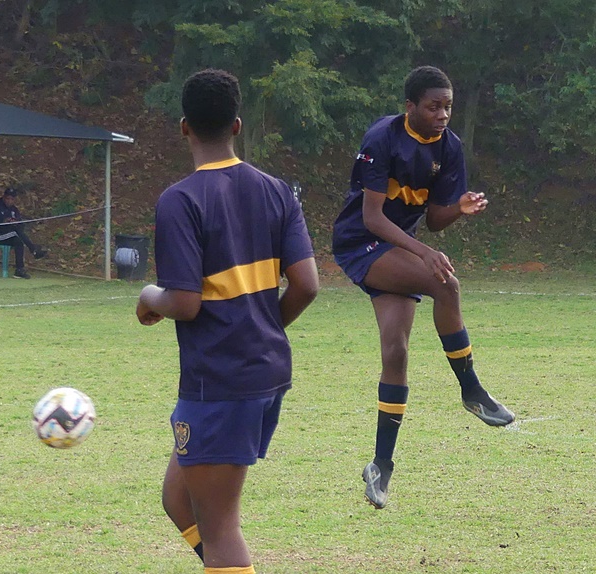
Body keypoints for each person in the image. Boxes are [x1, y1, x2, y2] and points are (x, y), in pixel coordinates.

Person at [136, 69, 319, 573]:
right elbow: (307, 285)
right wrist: (263, 328)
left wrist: (148, 295)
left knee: (220, 529)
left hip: (219, 381)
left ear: (183, 128)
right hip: (264, 373)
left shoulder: (181, 201)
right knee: (178, 500)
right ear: (237, 126)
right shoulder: (278, 191)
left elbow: (185, 302)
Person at [331, 65, 515, 510]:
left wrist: (458, 209)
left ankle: (380, 467)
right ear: (409, 106)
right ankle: (471, 390)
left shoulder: (450, 148)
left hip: (397, 249)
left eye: (448, 106)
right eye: (433, 106)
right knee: (445, 283)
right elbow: (372, 219)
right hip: (362, 243)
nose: (442, 114)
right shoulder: (382, 138)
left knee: (396, 353)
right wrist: (425, 255)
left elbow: (434, 219)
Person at [0, 187, 48, 278]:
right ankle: (34, 250)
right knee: (15, 231)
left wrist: (15, 221)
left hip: (8, 235)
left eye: (12, 199)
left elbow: (21, 226)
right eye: (8, 198)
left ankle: (19, 269)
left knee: (18, 241)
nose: (9, 201)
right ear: (4, 197)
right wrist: (3, 222)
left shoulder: (14, 210)